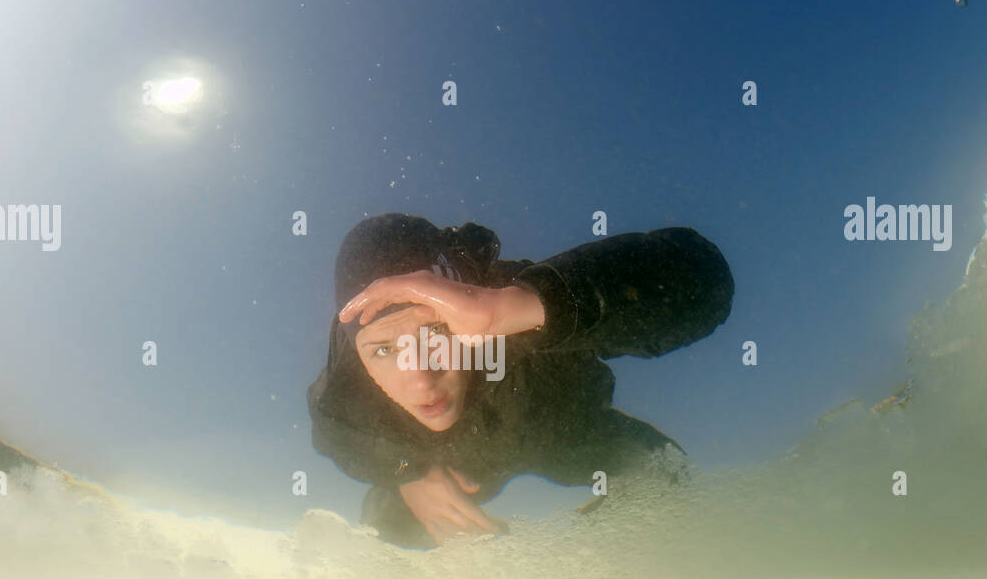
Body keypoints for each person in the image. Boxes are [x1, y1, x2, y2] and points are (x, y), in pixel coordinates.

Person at [307, 213, 735, 548]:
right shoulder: (348, 380)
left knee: (666, 478)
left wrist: (526, 307)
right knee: (387, 521)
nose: (420, 378)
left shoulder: (509, 307)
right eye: (383, 349)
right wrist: (406, 472)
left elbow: (706, 280)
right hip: (458, 462)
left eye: (436, 333)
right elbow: (335, 429)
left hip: (563, 429)